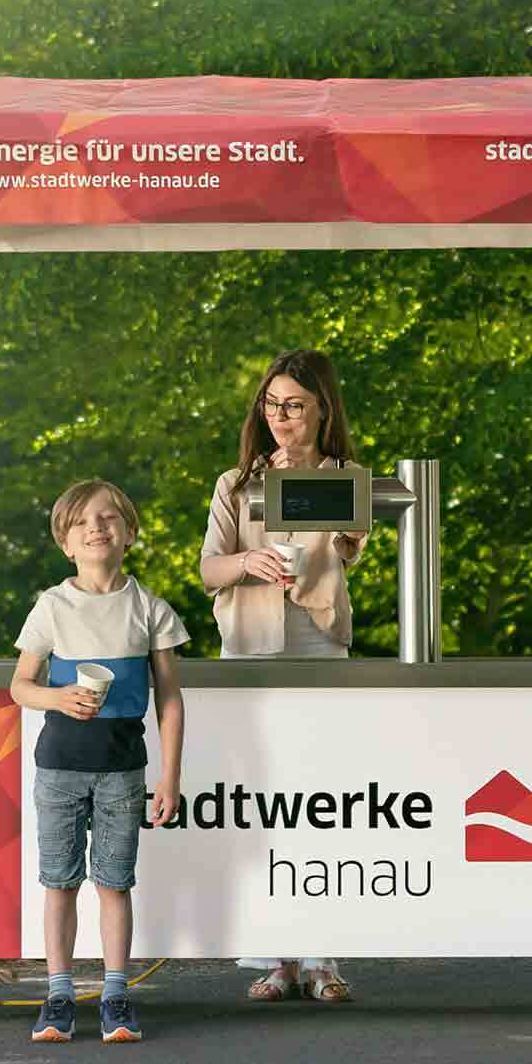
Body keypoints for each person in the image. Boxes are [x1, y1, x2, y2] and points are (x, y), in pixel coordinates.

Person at [198, 348, 367, 1004]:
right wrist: (249, 560)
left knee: (321, 802)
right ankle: (275, 958)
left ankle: (322, 959)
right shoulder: (235, 482)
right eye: (271, 404)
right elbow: (209, 568)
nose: (280, 416)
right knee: (257, 806)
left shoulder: (347, 475)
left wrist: (309, 490)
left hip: (318, 647)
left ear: (323, 408)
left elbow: (352, 541)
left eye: (294, 404)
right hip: (247, 651)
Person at [10, 478, 187, 1043]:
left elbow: (170, 698)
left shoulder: (150, 610)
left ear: (129, 533)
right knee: (59, 883)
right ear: (65, 542)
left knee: (114, 882)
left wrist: (170, 776)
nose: (97, 527)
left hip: (122, 769)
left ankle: (115, 995)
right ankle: (58, 995)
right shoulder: (51, 607)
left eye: (109, 518)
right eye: (83, 521)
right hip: (59, 764)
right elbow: (20, 685)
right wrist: (57, 697)